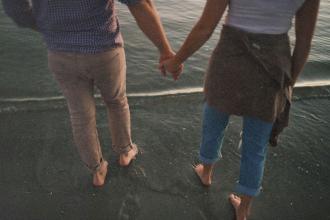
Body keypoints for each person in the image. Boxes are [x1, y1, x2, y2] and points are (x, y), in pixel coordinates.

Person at [161, 0, 319, 219]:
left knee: (213, 123)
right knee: (255, 146)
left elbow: (205, 27)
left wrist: (176, 61)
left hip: (229, 60)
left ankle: (206, 173)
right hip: (273, 67)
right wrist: (288, 83)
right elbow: (304, 43)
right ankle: (243, 209)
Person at [2, 0, 182, 187]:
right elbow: (138, 4)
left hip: (60, 54)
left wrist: (47, 27)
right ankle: (125, 152)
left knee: (80, 115)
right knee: (116, 102)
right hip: (104, 49)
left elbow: (15, 9)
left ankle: (97, 170)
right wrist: (165, 51)